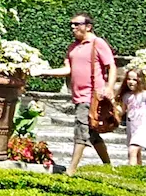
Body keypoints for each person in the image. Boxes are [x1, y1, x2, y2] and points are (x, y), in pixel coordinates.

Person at [33, 14, 117, 174]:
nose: (73, 27)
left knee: (81, 130)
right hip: (79, 97)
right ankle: (108, 166)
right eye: (71, 24)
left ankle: (71, 170)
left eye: (76, 24)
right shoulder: (72, 47)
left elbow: (111, 65)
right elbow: (68, 70)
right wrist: (44, 72)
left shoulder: (97, 43)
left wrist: (110, 88)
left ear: (88, 26)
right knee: (92, 134)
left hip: (92, 97)